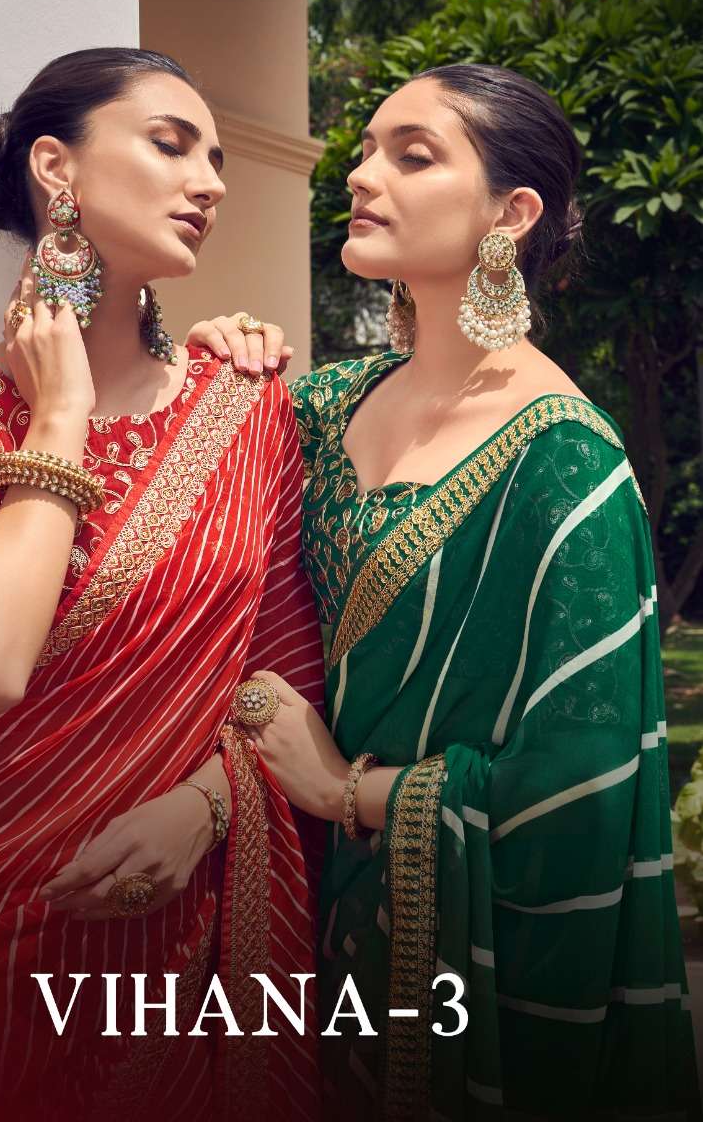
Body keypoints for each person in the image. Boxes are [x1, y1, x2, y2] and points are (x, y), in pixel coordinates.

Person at [188, 64, 700, 1119]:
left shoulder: (564, 464)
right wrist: (198, 372)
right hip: (287, 908)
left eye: (411, 155)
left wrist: (343, 789)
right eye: (365, 149)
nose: (360, 174)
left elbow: (577, 790)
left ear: (511, 215)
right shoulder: (321, 404)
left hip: (459, 970)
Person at [0, 48, 324, 1122]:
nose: (210, 182)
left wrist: (204, 807)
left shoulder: (247, 407)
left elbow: (287, 675)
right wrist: (58, 418)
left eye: (217, 158)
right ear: (56, 167)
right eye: (171, 144)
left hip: (174, 937)